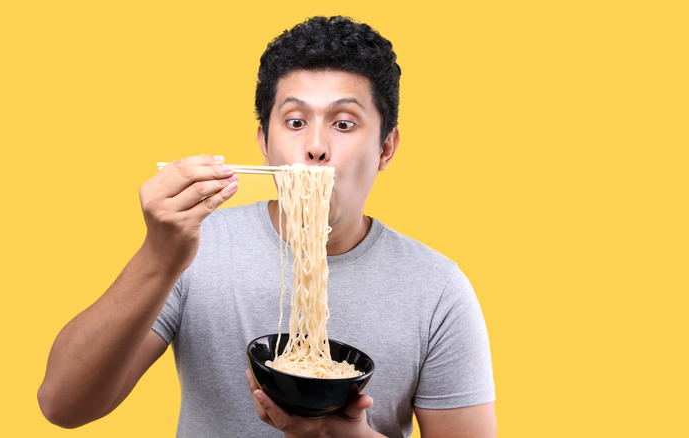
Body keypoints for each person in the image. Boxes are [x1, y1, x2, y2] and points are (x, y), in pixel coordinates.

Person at [38, 16, 496, 437]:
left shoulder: (437, 289)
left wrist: (347, 435)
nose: (315, 147)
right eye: (295, 121)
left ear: (386, 147)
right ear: (264, 141)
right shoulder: (199, 247)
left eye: (343, 122)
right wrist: (158, 257)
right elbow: (62, 404)